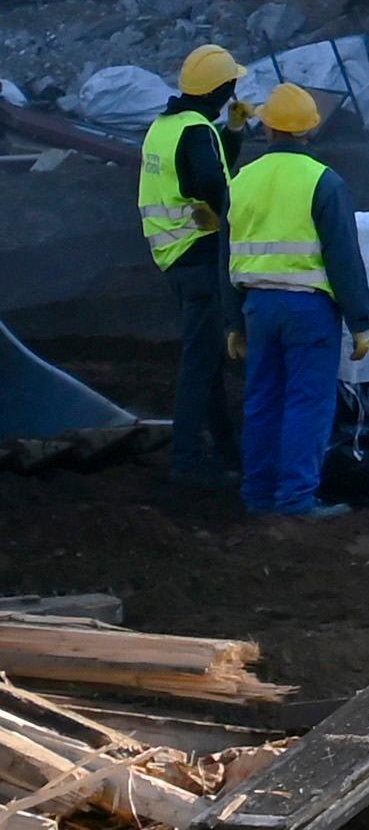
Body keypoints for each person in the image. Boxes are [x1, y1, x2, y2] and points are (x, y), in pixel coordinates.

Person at [219, 83, 369, 521]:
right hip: (308, 310)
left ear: (266, 128)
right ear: (311, 130)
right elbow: (343, 256)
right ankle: (296, 501)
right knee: (307, 402)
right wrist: (361, 321)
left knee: (263, 399)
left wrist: (233, 321)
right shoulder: (324, 182)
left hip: (257, 309)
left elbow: (224, 254)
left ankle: (258, 496)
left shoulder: (242, 181)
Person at [130, 46, 245, 495]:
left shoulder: (165, 127)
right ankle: (187, 461)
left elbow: (200, 171)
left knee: (208, 359)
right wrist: (236, 219)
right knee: (200, 362)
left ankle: (224, 451)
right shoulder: (197, 132)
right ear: (222, 89)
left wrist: (232, 132)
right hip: (200, 258)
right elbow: (213, 182)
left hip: (174, 257)